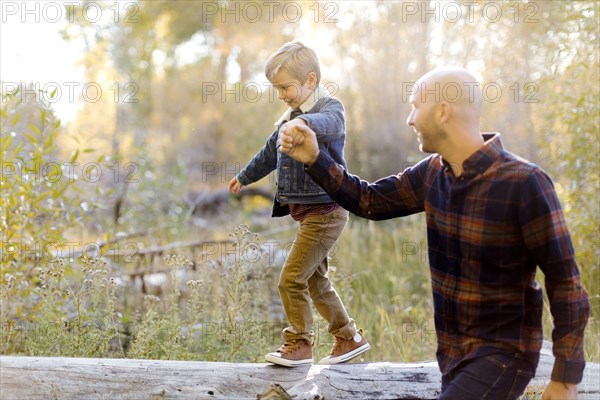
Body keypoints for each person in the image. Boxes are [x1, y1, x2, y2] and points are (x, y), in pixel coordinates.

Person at [279, 67, 590, 399]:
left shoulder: (525, 182)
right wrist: (315, 157)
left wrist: (565, 379)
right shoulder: (433, 173)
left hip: (504, 356)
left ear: (443, 111)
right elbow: (369, 200)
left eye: (416, 106)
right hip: (453, 358)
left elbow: (566, 284)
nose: (410, 119)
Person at [228, 41, 369, 367]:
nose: (281, 94)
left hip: (327, 210)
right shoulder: (286, 119)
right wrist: (245, 177)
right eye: (276, 88)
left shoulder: (328, 108)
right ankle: (348, 338)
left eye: (285, 87)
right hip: (312, 215)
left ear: (310, 80)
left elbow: (329, 124)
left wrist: (303, 125)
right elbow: (268, 154)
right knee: (315, 279)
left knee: (290, 278)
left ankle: (300, 344)